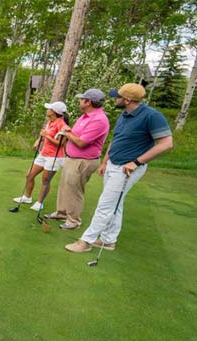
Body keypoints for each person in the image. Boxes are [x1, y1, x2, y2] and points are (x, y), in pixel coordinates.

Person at [65, 83, 173, 253]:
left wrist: (136, 162)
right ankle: (108, 240)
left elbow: (166, 144)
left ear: (127, 100)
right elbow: (117, 139)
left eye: (117, 97)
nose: (114, 99)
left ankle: (86, 241)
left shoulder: (152, 116)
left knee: (105, 204)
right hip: (113, 164)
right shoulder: (125, 114)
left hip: (128, 168)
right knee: (116, 203)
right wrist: (105, 161)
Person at [44, 88, 110, 230]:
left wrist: (66, 134)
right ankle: (62, 212)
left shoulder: (99, 120)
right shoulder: (85, 116)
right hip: (72, 157)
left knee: (74, 190)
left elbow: (81, 142)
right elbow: (76, 134)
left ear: (88, 102)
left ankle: (73, 221)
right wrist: (69, 131)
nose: (79, 101)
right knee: (64, 186)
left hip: (83, 160)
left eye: (82, 99)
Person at [13, 101, 68, 212]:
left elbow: (61, 144)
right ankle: (27, 197)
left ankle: (39, 203)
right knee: (29, 175)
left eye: (49, 109)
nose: (47, 110)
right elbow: (44, 135)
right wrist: (39, 141)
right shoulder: (50, 122)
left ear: (54, 112)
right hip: (44, 153)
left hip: (54, 157)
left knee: (45, 180)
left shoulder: (63, 125)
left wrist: (46, 136)